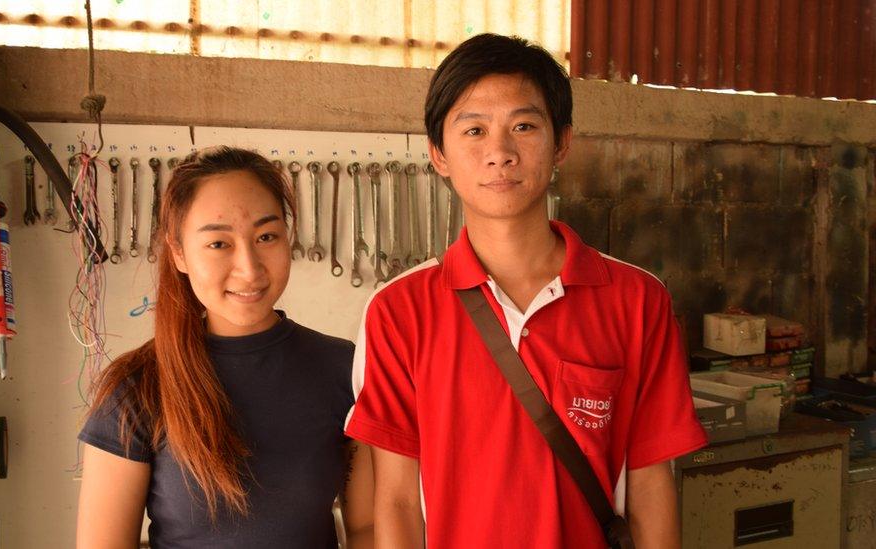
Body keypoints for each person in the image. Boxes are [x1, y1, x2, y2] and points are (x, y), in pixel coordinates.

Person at [345, 34, 707, 548]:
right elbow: (399, 501)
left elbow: (650, 482)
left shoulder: (637, 300)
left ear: (561, 143)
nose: (500, 153)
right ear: (439, 155)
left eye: (523, 126)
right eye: (474, 130)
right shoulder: (398, 311)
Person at [77, 147, 373, 548]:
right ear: (179, 252)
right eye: (219, 244)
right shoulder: (136, 388)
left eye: (266, 237)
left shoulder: (344, 368)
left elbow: (368, 529)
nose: (249, 268)